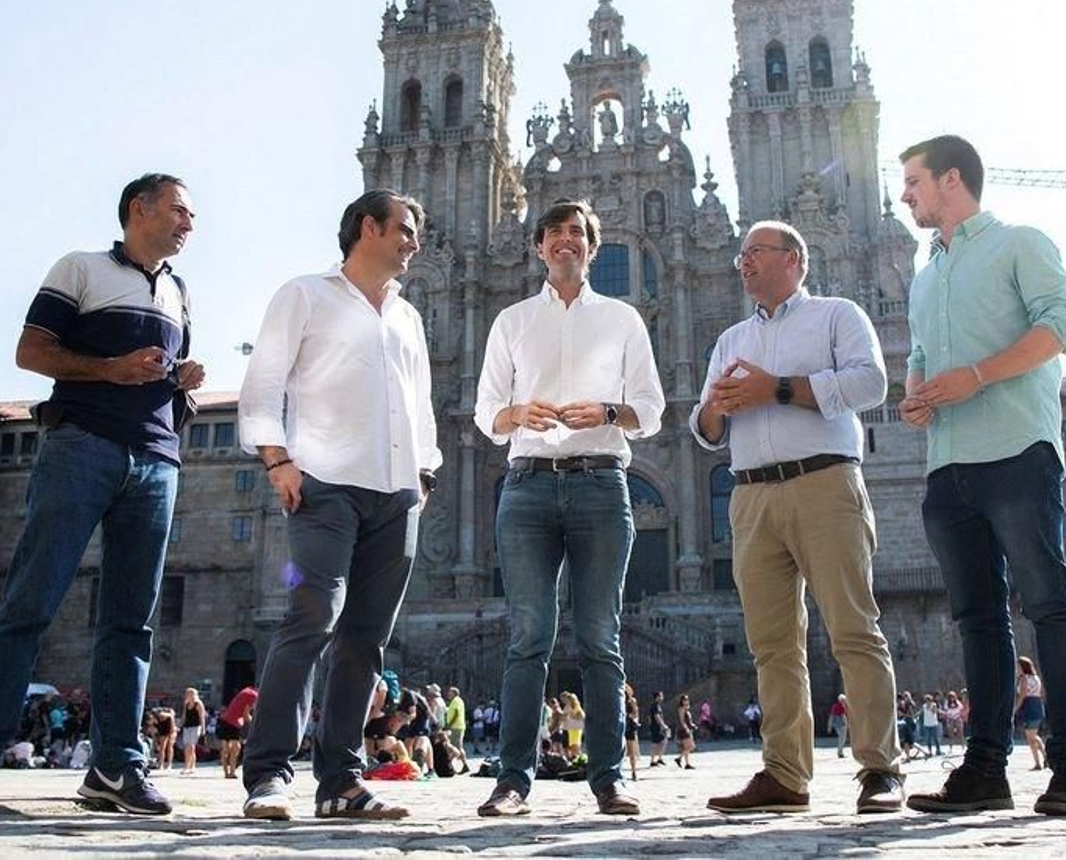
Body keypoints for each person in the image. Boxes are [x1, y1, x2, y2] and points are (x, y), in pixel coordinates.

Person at [0, 173, 204, 816]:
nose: (189, 223)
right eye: (180, 210)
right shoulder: (81, 268)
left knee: (131, 621)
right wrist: (110, 369)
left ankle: (115, 766)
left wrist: (181, 379)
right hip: (82, 444)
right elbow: (31, 351)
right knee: (29, 601)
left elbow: (162, 374)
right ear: (139, 209)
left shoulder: (177, 290)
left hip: (156, 460)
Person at [897, 136, 1066, 818]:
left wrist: (979, 375)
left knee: (1050, 605)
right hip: (947, 465)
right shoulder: (925, 277)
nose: (905, 194)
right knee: (978, 621)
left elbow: (1064, 325)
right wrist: (916, 394)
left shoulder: (1020, 243)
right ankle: (985, 769)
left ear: (951, 179)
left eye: (914, 181)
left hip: (1016, 450)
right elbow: (919, 354)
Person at [236, 190, 441, 821]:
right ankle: (268, 774)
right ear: (368, 227)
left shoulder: (407, 316)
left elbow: (420, 401)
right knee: (312, 617)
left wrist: (425, 475)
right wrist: (277, 459)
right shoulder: (305, 294)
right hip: (323, 485)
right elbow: (263, 383)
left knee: (366, 639)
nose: (414, 242)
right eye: (405, 229)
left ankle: (341, 782)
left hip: (397, 492)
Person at [693, 220, 904, 817]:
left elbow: (871, 384)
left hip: (824, 484)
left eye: (755, 252)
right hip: (751, 494)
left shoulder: (838, 316)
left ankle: (880, 769)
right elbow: (705, 431)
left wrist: (777, 389)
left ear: (794, 260)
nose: (743, 262)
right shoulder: (731, 339)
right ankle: (785, 774)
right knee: (772, 645)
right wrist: (715, 408)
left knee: (853, 630)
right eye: (740, 254)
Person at [471, 199, 666, 819]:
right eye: (554, 232)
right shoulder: (511, 321)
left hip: (601, 483)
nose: (565, 241)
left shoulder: (622, 319)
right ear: (539, 247)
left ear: (591, 248)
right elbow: (485, 414)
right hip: (526, 486)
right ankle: (511, 782)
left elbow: (651, 411)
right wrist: (515, 414)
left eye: (576, 233)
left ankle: (609, 779)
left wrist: (608, 412)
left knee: (600, 637)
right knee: (528, 638)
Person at [216, 686, 257, 779]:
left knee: (225, 748)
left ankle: (226, 773)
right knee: (236, 748)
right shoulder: (254, 696)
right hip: (233, 723)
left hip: (224, 720)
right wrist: (255, 723)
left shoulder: (246, 691)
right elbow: (245, 715)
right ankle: (232, 773)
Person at [1015, 659, 1045, 770]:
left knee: (1031, 738)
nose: (1017, 669)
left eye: (1018, 666)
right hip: (1037, 705)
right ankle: (1045, 757)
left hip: (1029, 707)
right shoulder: (1036, 678)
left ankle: (1038, 763)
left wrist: (1015, 709)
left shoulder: (1024, 678)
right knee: (1034, 736)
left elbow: (1022, 695)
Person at [179, 688, 206, 775]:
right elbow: (184, 715)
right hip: (187, 727)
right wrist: (180, 725)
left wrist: (203, 728)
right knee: (188, 747)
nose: (188, 695)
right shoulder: (186, 704)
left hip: (195, 726)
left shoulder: (198, 704)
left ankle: (187, 766)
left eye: (190, 694)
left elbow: (202, 717)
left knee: (190, 746)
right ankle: (191, 766)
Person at [647, 691, 670, 768]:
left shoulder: (657, 705)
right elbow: (657, 717)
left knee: (661, 742)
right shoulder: (655, 706)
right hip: (656, 728)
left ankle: (657, 759)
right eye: (661, 696)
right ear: (657, 697)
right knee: (657, 744)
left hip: (657, 727)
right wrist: (664, 726)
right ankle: (654, 760)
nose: (662, 697)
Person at [675, 694, 697, 769]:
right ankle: (679, 758)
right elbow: (682, 720)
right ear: (681, 701)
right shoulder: (681, 709)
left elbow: (688, 720)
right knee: (692, 746)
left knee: (686, 747)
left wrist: (692, 725)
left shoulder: (686, 708)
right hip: (684, 730)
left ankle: (687, 764)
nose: (686, 701)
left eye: (687, 699)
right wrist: (686, 729)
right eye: (684, 700)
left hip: (688, 729)